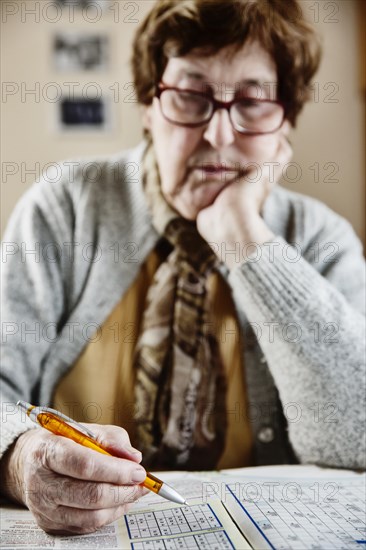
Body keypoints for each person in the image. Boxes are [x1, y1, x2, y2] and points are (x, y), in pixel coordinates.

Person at [1, 0, 365, 536]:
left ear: (285, 120)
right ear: (150, 106)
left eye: (253, 100)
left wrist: (244, 236)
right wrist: (19, 457)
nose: (219, 134)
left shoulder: (320, 236)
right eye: (191, 95)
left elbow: (355, 434)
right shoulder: (65, 207)